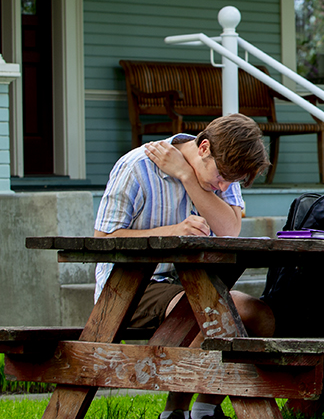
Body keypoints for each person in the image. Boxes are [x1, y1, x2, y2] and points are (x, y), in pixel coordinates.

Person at [94, 113, 275, 419]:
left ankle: (204, 411)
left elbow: (229, 229)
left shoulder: (220, 171)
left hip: (193, 284)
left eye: (232, 181)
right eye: (222, 177)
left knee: (261, 316)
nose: (224, 185)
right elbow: (103, 239)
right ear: (204, 147)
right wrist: (172, 231)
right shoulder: (137, 166)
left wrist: (188, 177)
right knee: (214, 312)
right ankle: (174, 412)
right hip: (131, 286)